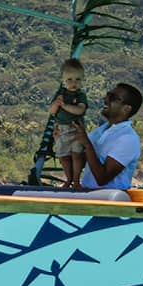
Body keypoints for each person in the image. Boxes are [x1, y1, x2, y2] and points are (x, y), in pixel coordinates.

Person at [78, 82, 143, 199]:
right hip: (87, 198)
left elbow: (102, 178)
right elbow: (83, 162)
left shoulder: (128, 139)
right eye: (108, 95)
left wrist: (87, 145)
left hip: (111, 204)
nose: (105, 99)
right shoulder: (98, 132)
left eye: (113, 97)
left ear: (126, 109)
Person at [46, 58, 92, 189]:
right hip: (61, 131)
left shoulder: (80, 95)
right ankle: (68, 179)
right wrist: (56, 103)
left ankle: (76, 180)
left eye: (78, 79)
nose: (74, 83)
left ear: (82, 80)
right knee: (63, 156)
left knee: (77, 155)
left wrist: (65, 106)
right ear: (63, 80)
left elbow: (80, 110)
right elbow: (52, 112)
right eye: (70, 79)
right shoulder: (60, 94)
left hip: (75, 130)